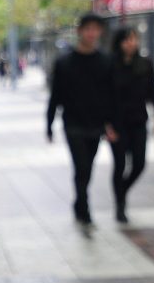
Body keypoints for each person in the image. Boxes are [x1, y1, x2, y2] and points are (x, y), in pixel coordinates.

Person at [46, 13, 112, 227]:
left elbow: (110, 96)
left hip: (96, 125)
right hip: (73, 123)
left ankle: (79, 202)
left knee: (87, 168)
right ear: (80, 31)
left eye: (95, 29)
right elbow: (55, 95)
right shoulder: (64, 62)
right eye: (88, 29)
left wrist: (110, 123)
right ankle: (84, 208)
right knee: (81, 166)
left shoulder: (105, 60)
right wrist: (48, 124)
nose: (91, 33)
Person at [106, 27, 154, 224]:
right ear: (119, 43)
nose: (130, 43)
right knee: (120, 165)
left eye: (133, 39)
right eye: (126, 40)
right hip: (116, 123)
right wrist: (106, 125)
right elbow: (103, 98)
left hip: (139, 121)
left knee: (139, 164)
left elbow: (153, 92)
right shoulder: (110, 65)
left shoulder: (146, 64)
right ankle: (120, 206)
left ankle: (121, 191)